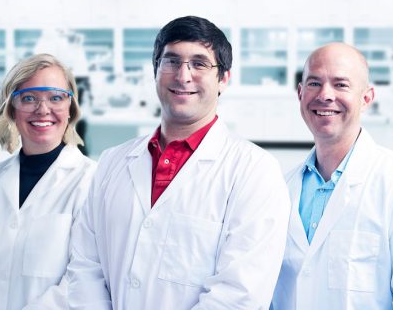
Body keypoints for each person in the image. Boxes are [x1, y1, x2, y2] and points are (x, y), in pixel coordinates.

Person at [66, 16, 290, 309]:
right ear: (155, 71)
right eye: (171, 61)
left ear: (223, 79)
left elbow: (239, 294)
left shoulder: (255, 172)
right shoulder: (112, 162)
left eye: (199, 64)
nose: (183, 76)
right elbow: (85, 267)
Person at [271, 42, 393, 309]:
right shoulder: (281, 188)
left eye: (341, 84)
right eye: (314, 83)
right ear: (300, 93)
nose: (325, 95)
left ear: (366, 98)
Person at [0, 54, 96, 310]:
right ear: (11, 109)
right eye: (29, 98)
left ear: (70, 108)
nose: (43, 109)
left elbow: (83, 280)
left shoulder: (92, 183)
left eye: (56, 97)